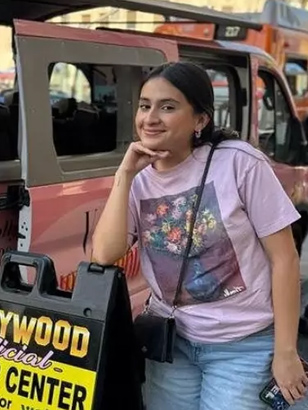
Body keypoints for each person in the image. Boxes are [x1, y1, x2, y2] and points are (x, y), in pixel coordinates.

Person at [91, 61, 308, 409]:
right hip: (172, 346)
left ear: (200, 120)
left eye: (168, 107)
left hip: (242, 347)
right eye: (145, 106)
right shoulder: (140, 178)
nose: (150, 117)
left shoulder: (238, 163)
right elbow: (104, 253)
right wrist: (124, 175)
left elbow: (284, 258)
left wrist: (285, 352)